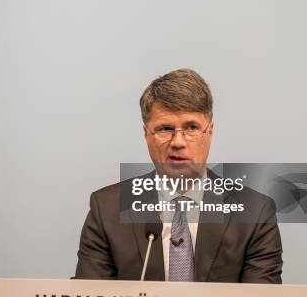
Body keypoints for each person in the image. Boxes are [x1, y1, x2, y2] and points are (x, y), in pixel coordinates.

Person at [74, 68, 283, 282]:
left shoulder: (255, 213)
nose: (178, 142)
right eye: (165, 129)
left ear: (209, 132)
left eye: (191, 128)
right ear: (146, 134)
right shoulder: (107, 209)